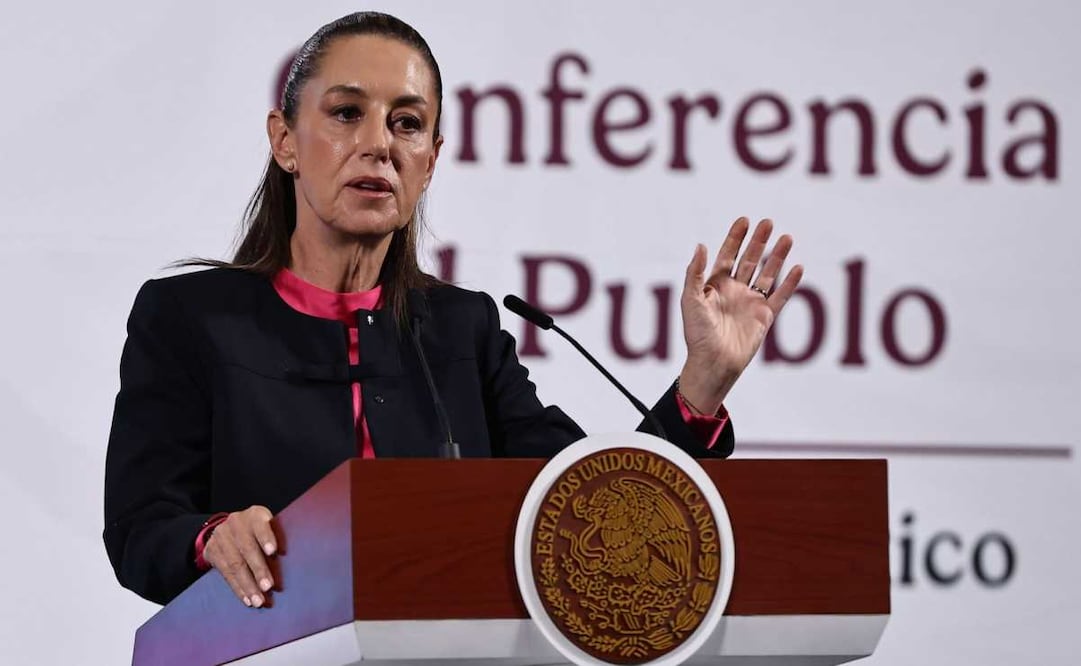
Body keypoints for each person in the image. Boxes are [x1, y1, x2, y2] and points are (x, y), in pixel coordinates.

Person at [103, 12, 803, 609]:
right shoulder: (191, 317)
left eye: (406, 124)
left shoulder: (462, 330)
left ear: (430, 161)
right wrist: (211, 538)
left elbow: (592, 511)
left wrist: (704, 382)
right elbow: (140, 529)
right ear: (285, 141)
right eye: (346, 114)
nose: (379, 143)